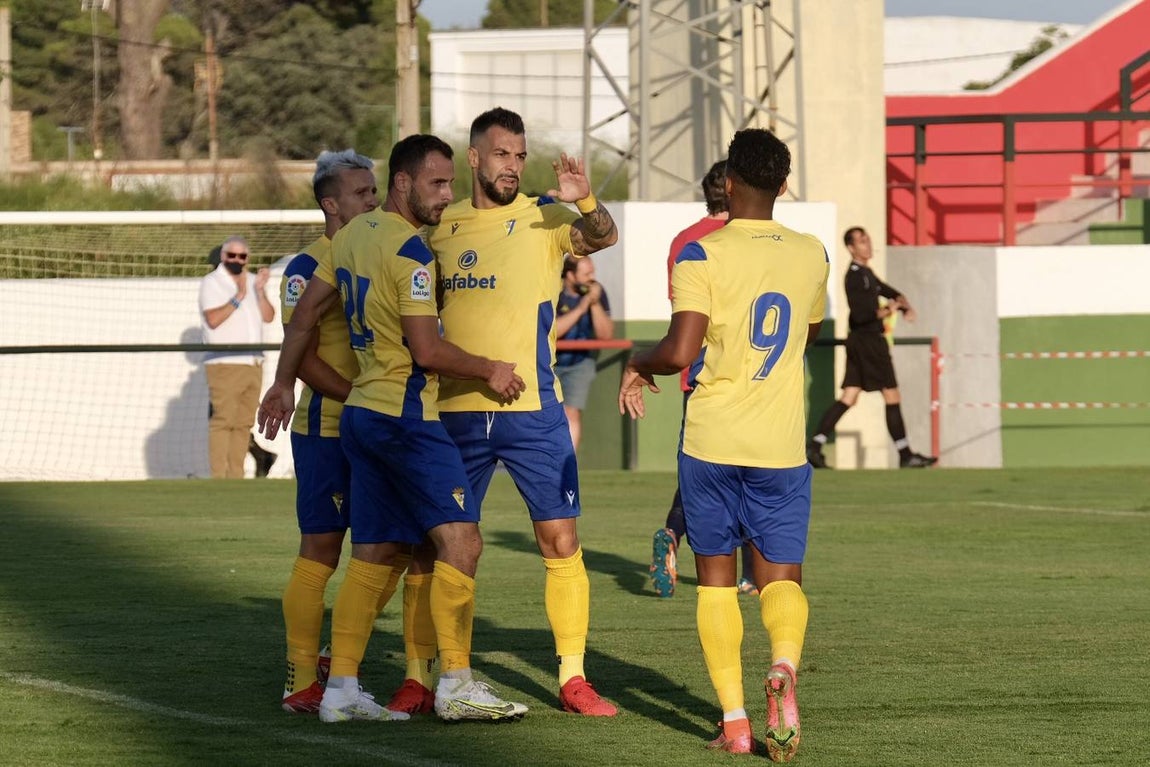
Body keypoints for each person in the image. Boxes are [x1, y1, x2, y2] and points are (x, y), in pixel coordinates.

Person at [258, 133, 529, 724]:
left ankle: (341, 689)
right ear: (405, 183)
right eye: (437, 183)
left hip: (359, 416)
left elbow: (305, 319)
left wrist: (281, 380)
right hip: (404, 414)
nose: (446, 195)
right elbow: (427, 350)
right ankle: (455, 681)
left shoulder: (353, 237)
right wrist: (489, 368)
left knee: (376, 552)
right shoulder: (410, 251)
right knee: (462, 541)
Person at [618, 128, 829, 760]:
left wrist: (637, 360)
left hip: (711, 440)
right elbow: (807, 335)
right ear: (784, 186)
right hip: (781, 443)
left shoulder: (700, 256)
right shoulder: (812, 253)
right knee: (780, 577)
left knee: (715, 581)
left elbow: (680, 351)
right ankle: (784, 666)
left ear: (729, 182)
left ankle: (735, 724)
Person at [421, 106, 620, 717]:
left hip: (534, 410)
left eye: (519, 155)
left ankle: (573, 678)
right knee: (439, 546)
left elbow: (603, 236)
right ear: (474, 158)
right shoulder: (440, 225)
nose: (513, 165)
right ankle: (423, 674)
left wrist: (585, 201)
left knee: (560, 540)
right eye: (502, 154)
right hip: (454, 409)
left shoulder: (545, 215)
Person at [277, 149, 379, 714]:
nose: (373, 200)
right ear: (330, 203)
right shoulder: (305, 268)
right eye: (361, 193)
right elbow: (304, 359)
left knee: (388, 546)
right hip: (328, 427)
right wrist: (366, 397)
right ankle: (299, 679)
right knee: (322, 547)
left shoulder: (380, 250)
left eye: (374, 191)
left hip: (378, 425)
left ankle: (345, 668)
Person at [648, 159, 759, 599]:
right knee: (753, 472)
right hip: (747, 375)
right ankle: (750, 571)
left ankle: (674, 533)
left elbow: (683, 312)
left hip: (696, 376)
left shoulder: (683, 242)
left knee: (700, 475)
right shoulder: (747, 239)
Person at [806, 226, 938, 469]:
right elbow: (862, 315)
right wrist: (892, 309)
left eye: (868, 240)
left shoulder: (866, 273)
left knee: (850, 396)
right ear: (851, 248)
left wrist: (904, 303)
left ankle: (814, 446)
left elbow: (888, 291)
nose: (868, 245)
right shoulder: (855, 276)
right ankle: (905, 454)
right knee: (891, 394)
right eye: (862, 242)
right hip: (869, 342)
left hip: (860, 342)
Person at [198, 235, 276, 478]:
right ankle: (219, 479)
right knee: (223, 422)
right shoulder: (212, 282)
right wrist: (239, 297)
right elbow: (212, 320)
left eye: (242, 256)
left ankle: (236, 478)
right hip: (225, 362)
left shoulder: (254, 281)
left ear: (247, 258)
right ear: (222, 256)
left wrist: (260, 292)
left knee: (244, 423)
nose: (236, 260)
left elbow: (269, 316)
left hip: (253, 362)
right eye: (231, 255)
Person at [554, 254, 614, 451]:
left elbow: (605, 335)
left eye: (593, 272)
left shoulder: (596, 292)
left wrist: (594, 303)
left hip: (580, 364)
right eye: (586, 273)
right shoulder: (555, 292)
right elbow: (553, 332)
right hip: (550, 364)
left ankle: (567, 461)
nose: (592, 278)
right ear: (570, 275)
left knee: (572, 412)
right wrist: (580, 309)